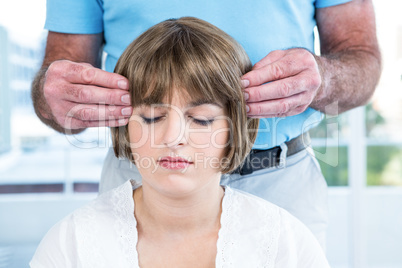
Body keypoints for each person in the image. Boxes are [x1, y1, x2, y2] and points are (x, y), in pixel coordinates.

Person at [31, 0, 381, 247]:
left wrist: (325, 77)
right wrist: (54, 99)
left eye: (201, 118)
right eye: (154, 115)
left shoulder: (291, 242)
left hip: (280, 181)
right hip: (139, 180)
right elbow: (58, 79)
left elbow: (362, 60)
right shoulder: (72, 244)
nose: (176, 137)